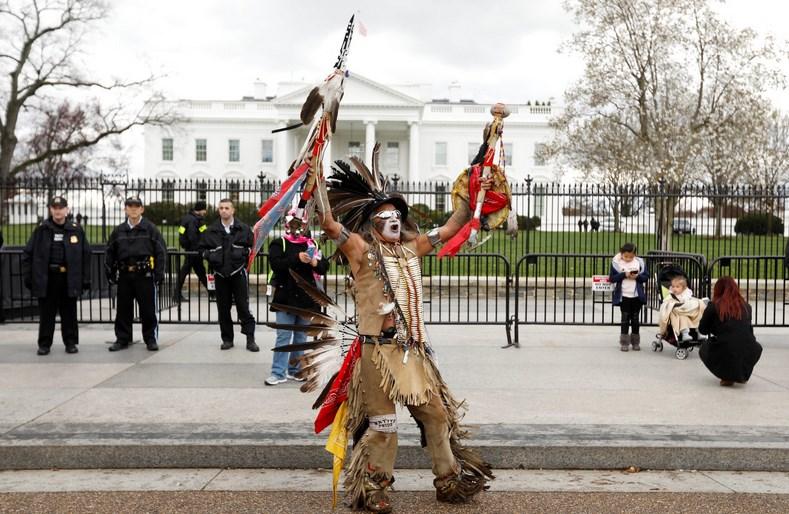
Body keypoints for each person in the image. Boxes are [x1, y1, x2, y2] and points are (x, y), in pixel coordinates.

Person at [313, 156, 494, 512]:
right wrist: (316, 182)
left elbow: (452, 226)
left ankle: (449, 481)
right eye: (385, 214)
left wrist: (473, 197)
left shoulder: (412, 249)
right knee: (383, 424)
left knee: (437, 414)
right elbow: (330, 224)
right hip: (377, 352)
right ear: (372, 223)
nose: (394, 218)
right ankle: (374, 488)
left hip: (411, 352)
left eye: (397, 214)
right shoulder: (361, 251)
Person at [265, 211, 330, 386]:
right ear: (287, 225)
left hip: (305, 298)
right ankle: (278, 372)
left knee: (301, 336)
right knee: (283, 336)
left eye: (301, 224)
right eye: (294, 224)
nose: (298, 228)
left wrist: (315, 263)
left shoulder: (312, 244)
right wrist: (297, 258)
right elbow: (276, 265)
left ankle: (295, 369)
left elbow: (324, 267)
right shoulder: (279, 243)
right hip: (285, 297)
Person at [22, 197, 91, 355]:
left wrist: (85, 279)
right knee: (47, 312)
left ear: (67, 210)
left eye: (61, 208)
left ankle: (71, 342)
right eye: (55, 208)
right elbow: (28, 254)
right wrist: (29, 277)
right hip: (48, 278)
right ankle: (44, 344)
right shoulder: (42, 229)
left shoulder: (76, 230)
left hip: (68, 277)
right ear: (50, 210)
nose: (58, 211)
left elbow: (86, 255)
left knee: (69, 312)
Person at [105, 197, 167, 352]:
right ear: (125, 209)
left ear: (142, 209)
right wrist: (110, 272)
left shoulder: (151, 229)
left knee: (148, 310)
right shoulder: (118, 231)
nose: (133, 209)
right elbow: (110, 253)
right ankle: (122, 339)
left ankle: (150, 339)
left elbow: (161, 252)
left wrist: (159, 274)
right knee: (123, 310)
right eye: (130, 206)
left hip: (144, 275)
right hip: (125, 275)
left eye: (136, 206)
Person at [199, 198, 258, 352]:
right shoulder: (211, 230)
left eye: (227, 208)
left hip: (238, 273)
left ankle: (250, 339)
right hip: (220, 275)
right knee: (223, 309)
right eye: (221, 208)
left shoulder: (243, 229)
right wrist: (210, 256)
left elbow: (252, 247)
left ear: (233, 210)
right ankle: (227, 339)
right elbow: (202, 249)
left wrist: (243, 253)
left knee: (243, 308)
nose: (224, 210)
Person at [699, 277, 763, 387]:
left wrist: (714, 326)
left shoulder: (713, 306)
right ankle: (740, 374)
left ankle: (726, 376)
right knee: (739, 345)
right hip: (751, 348)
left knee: (705, 347)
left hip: (726, 347)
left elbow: (702, 330)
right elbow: (742, 329)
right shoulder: (747, 307)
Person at [609, 242, 648, 351]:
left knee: (635, 318)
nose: (628, 259)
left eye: (631, 256)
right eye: (626, 256)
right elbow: (612, 278)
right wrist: (624, 275)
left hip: (636, 296)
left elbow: (646, 277)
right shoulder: (616, 263)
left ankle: (635, 341)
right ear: (621, 254)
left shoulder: (639, 263)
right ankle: (624, 342)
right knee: (625, 318)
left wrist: (637, 277)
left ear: (634, 255)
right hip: (624, 295)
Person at [174, 200, 209, 302]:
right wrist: (199, 248)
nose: (205, 212)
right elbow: (193, 236)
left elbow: (182, 232)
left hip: (190, 250)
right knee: (191, 272)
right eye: (204, 209)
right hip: (194, 251)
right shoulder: (195, 220)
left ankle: (213, 293)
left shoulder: (187, 218)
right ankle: (176, 294)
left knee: (199, 272)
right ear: (201, 209)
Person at [658, 275, 705, 342]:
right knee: (682, 318)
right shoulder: (671, 295)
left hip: (688, 311)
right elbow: (666, 303)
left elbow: (690, 301)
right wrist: (670, 304)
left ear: (683, 288)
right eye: (673, 286)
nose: (674, 289)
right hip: (679, 312)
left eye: (677, 287)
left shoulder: (687, 295)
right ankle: (685, 334)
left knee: (698, 314)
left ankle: (700, 332)